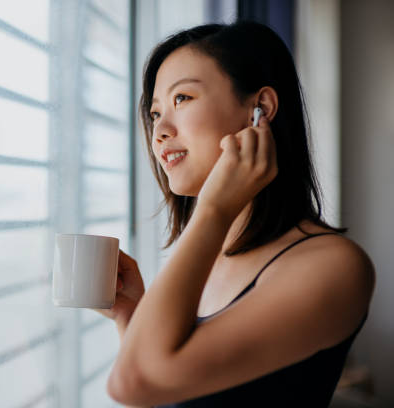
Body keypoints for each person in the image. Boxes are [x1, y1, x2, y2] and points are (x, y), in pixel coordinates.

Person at [91, 21, 375, 407]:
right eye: (155, 113)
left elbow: (132, 383)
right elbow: (157, 393)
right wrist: (131, 316)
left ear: (261, 109)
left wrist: (213, 208)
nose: (159, 131)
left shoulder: (333, 265)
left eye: (183, 99)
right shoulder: (214, 255)